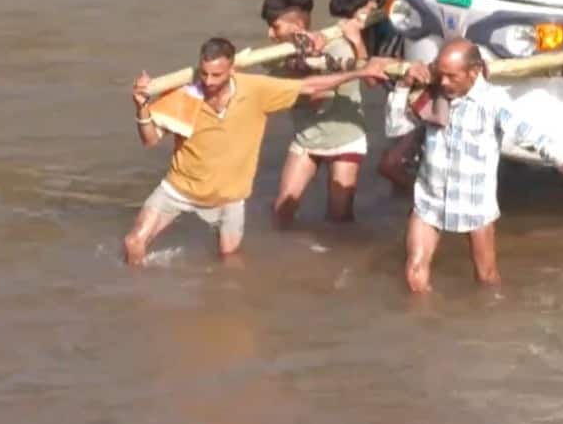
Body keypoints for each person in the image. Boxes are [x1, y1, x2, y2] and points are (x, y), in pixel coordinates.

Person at [125, 37, 391, 266]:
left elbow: (311, 86)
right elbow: (150, 140)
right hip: (179, 189)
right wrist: (142, 109)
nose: (208, 81)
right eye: (204, 73)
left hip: (229, 197)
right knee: (134, 242)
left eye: (216, 75)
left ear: (231, 69)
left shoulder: (255, 90)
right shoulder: (186, 95)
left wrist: (359, 73)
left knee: (230, 263)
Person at [396, 39, 563, 293]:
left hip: (474, 204)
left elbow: (531, 135)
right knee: (414, 274)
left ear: (474, 72)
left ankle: (492, 324)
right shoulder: (431, 93)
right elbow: (395, 127)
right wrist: (403, 85)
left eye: (452, 77)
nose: (444, 83)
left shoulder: (494, 102)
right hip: (429, 199)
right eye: (440, 75)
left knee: (486, 279)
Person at [271, 0, 379, 227]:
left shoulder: (350, 43)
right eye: (369, 9)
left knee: (339, 218)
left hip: (345, 137)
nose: (372, 15)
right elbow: (314, 101)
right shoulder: (325, 43)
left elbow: (370, 80)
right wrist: (310, 57)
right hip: (308, 136)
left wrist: (357, 43)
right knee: (283, 209)